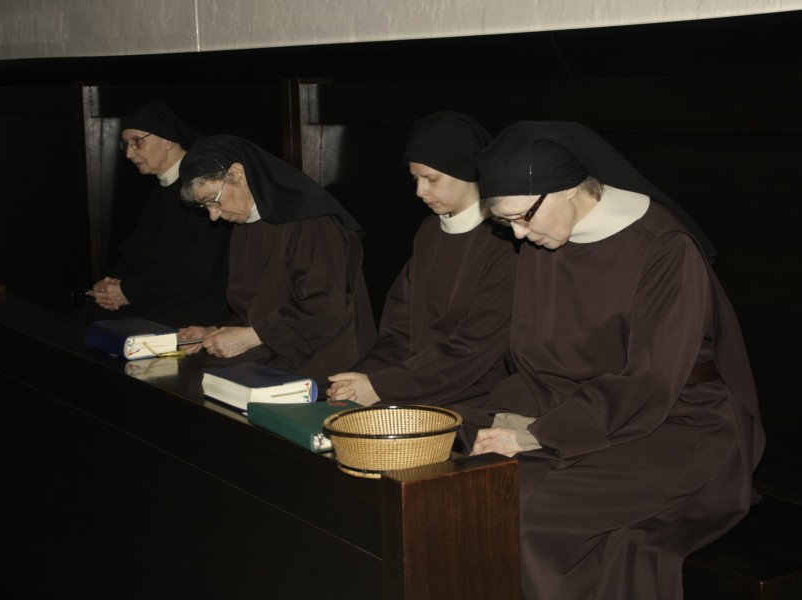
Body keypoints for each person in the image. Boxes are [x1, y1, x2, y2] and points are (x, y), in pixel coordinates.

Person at [472, 120, 765, 600]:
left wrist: (537, 434)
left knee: (525, 511)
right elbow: (533, 352)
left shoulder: (664, 246)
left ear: (567, 187)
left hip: (682, 425)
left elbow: (650, 381)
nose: (519, 235)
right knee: (462, 472)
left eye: (522, 217)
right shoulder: (545, 236)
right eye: (507, 224)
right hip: (581, 413)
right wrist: (515, 417)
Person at [325, 111, 517, 450]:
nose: (419, 191)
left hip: (474, 394)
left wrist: (382, 387)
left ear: (468, 171)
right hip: (415, 381)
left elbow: (474, 350)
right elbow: (398, 329)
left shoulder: (508, 243)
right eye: (415, 179)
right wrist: (363, 378)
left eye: (431, 179)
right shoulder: (429, 231)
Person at [176, 134, 376, 387]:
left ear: (237, 174)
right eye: (205, 207)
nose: (214, 216)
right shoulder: (246, 221)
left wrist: (250, 337)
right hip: (277, 349)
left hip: (325, 362)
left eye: (213, 200)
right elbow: (259, 308)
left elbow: (324, 309)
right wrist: (215, 332)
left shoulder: (310, 219)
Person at [81, 102, 232, 327]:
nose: (129, 153)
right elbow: (137, 249)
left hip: (192, 302)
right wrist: (110, 284)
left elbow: (197, 267)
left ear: (169, 139)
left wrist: (128, 292)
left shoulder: (203, 185)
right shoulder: (164, 187)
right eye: (126, 145)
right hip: (153, 294)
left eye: (137, 141)